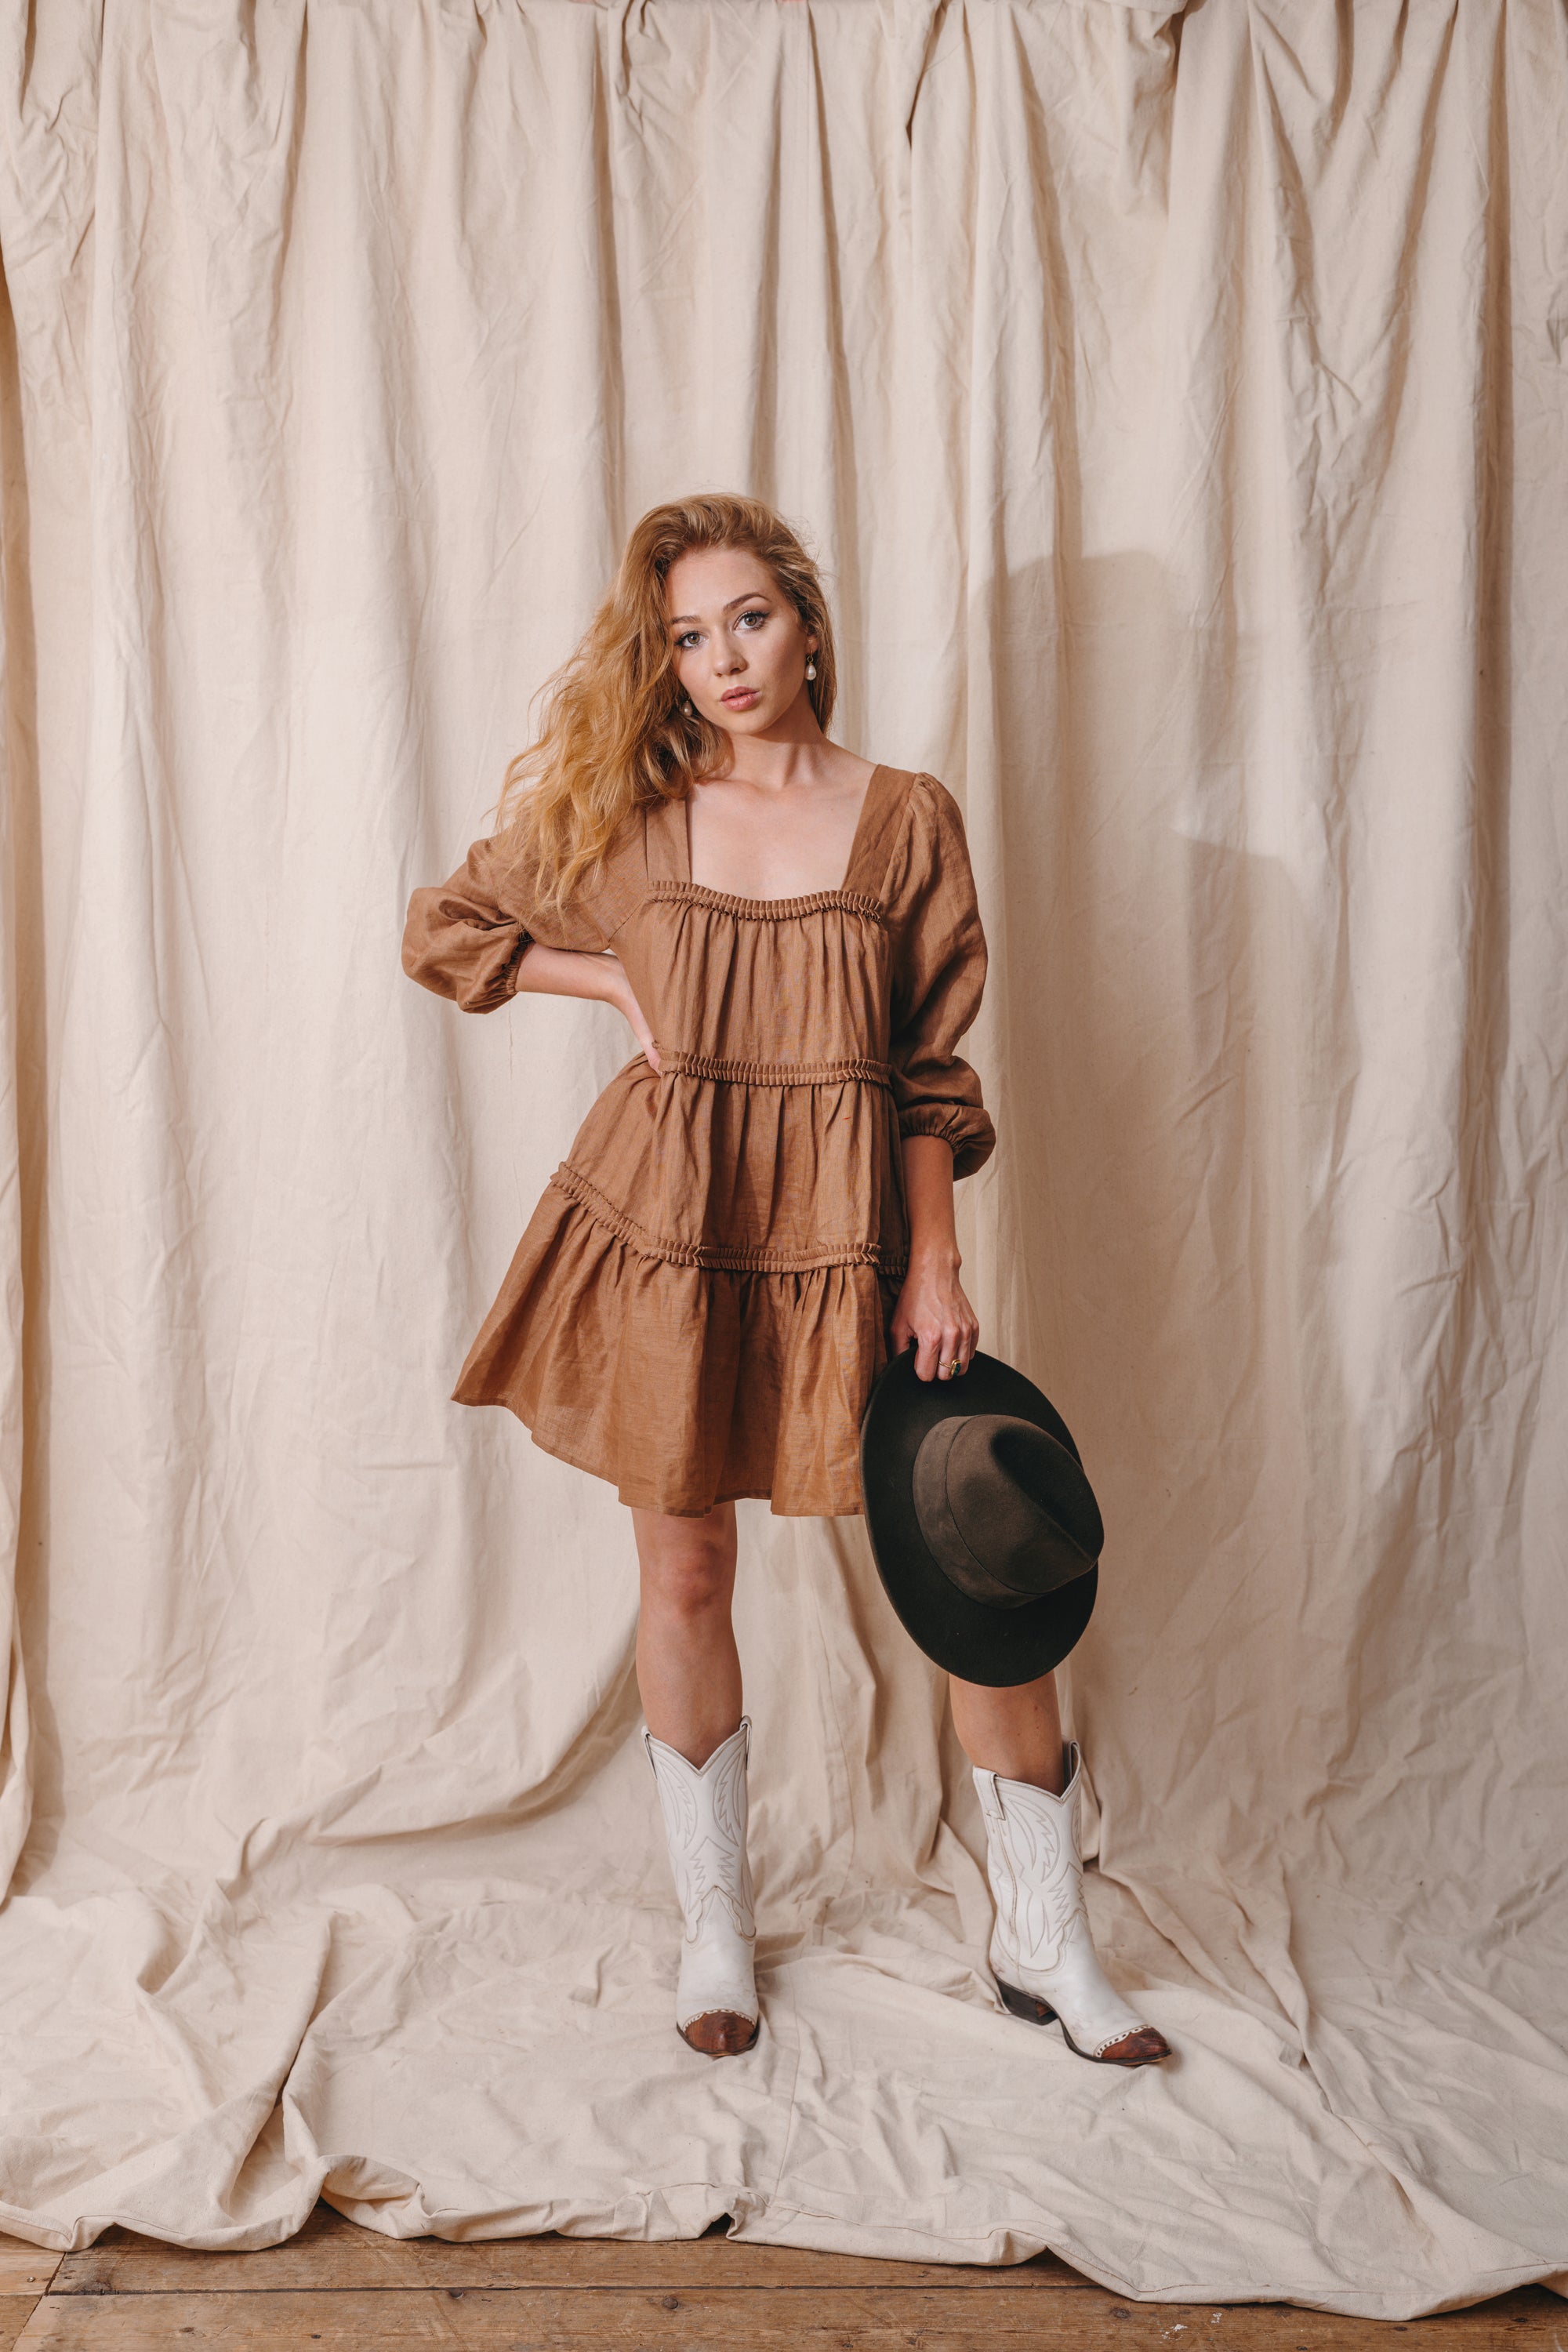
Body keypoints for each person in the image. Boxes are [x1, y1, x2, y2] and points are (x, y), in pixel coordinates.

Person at [402, 494, 1168, 2069]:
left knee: (977, 1558)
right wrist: (608, 978)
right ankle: (713, 1926)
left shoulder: (905, 818)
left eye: (747, 619)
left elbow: (927, 1071)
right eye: (688, 637)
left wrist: (934, 1261)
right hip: (667, 1237)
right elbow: (446, 929)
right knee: (685, 1575)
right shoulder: (636, 815)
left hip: (849, 1247)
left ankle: (1045, 1935)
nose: (723, 660)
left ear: (807, 624)